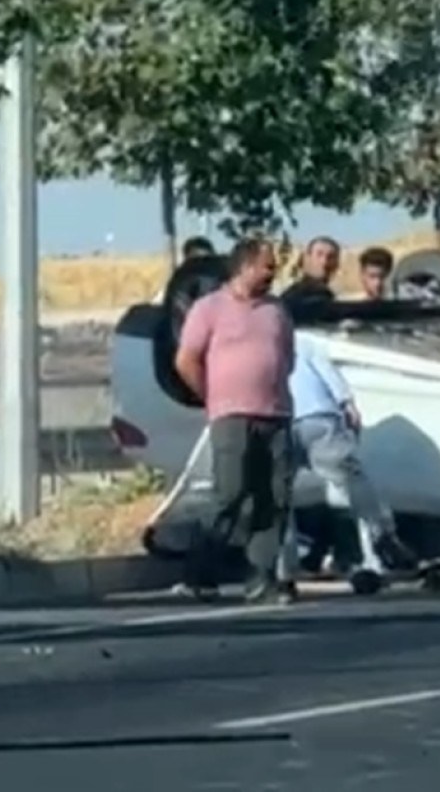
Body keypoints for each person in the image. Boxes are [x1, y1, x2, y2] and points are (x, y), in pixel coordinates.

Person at [174, 238, 298, 604]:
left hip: (275, 414)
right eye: (267, 266)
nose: (273, 273)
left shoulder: (276, 310)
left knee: (274, 497)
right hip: (231, 415)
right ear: (244, 267)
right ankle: (199, 571)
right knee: (230, 493)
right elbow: (186, 360)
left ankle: (261, 578)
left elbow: (287, 357)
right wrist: (212, 396)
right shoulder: (209, 308)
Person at [284, 334, 415, 591]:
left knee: (278, 496)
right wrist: (347, 403)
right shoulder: (305, 342)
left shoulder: (259, 342)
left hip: (279, 421)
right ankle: (380, 540)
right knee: (354, 484)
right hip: (319, 418)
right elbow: (329, 375)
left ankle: (284, 569)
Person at [282, 236, 341, 307]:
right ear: (308, 258)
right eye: (319, 254)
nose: (324, 262)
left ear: (336, 263)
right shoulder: (298, 295)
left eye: (331, 257)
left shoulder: (323, 293)